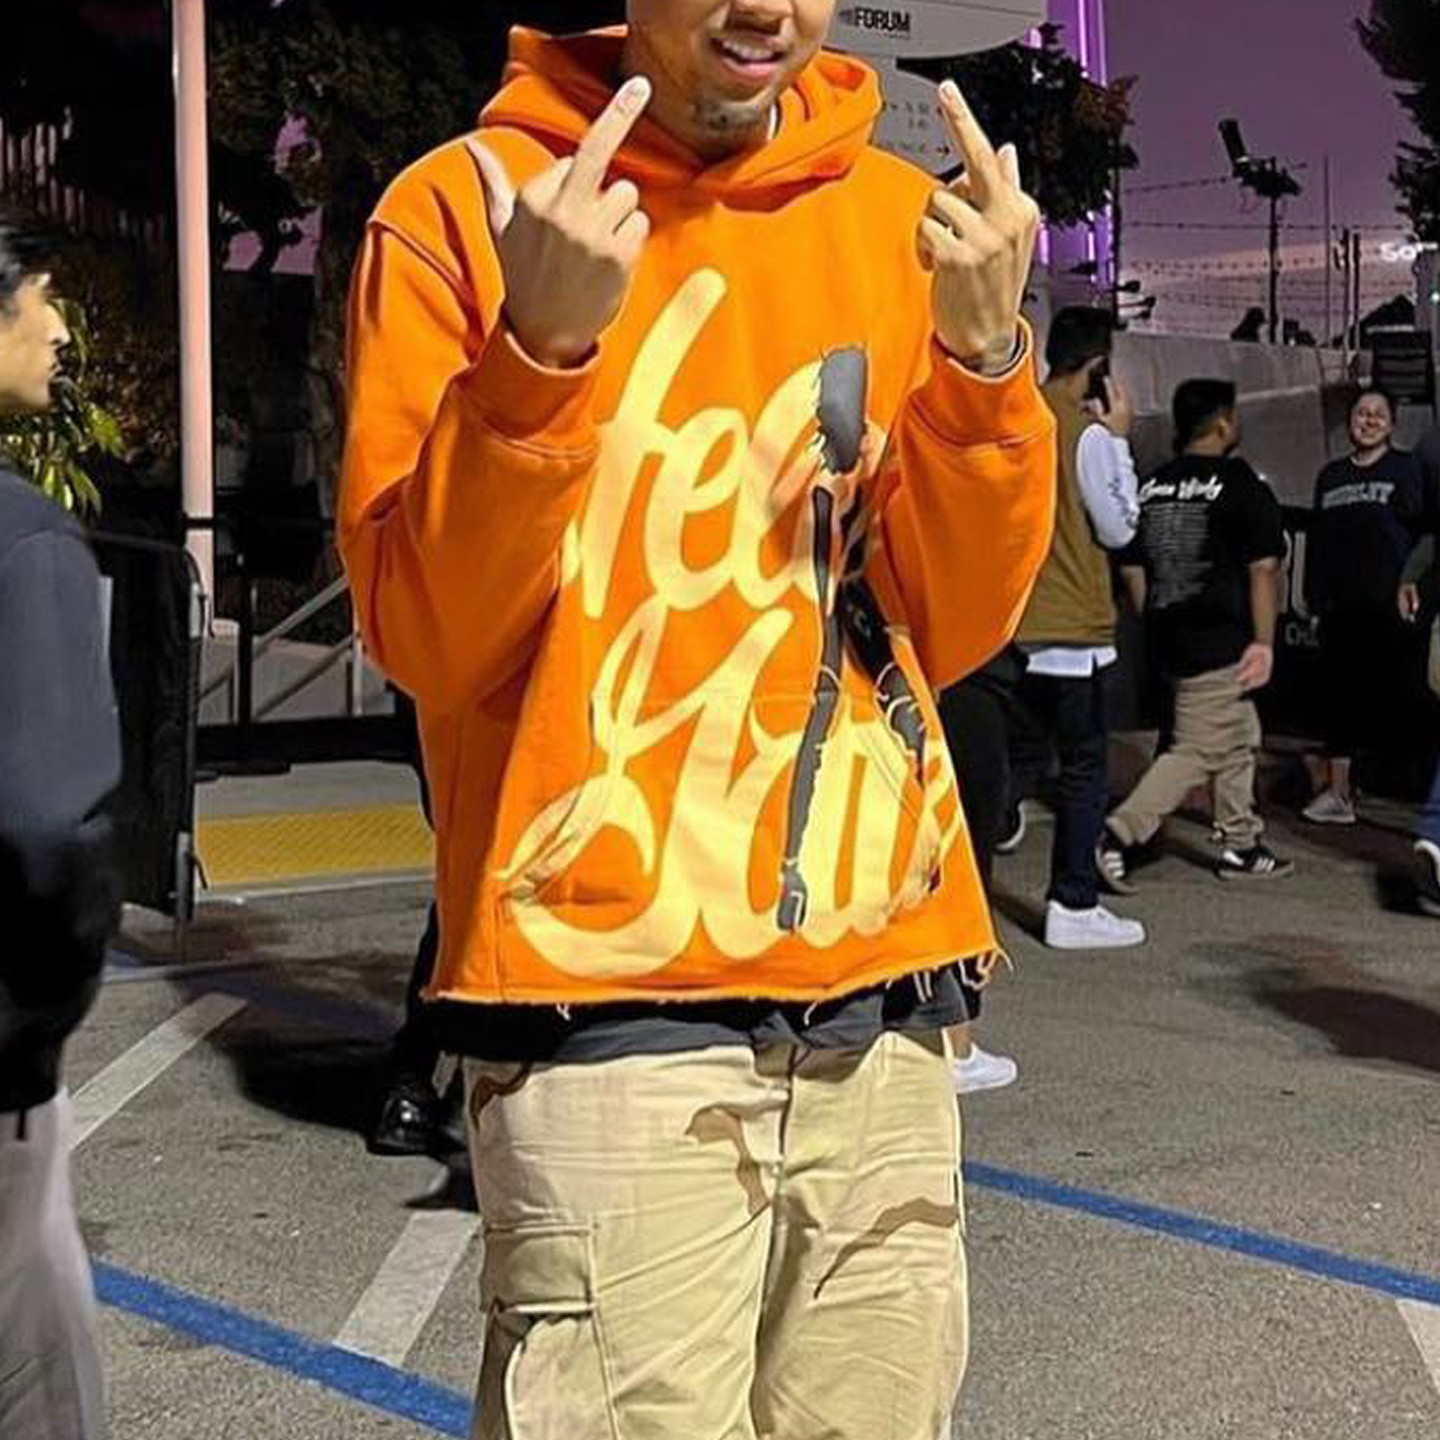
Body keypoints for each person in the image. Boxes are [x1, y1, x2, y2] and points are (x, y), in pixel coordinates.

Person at [339, 7, 1055, 1436]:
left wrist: (985, 371)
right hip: (604, 1011)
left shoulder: (903, 225)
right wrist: (538, 352)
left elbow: (953, 623)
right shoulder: (468, 208)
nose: (764, 8)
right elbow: (427, 638)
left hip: (885, 1004)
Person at [0, 217, 116, 1440]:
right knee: (39, 1380)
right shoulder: (24, 538)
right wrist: (31, 1042)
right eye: (40, 298)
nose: (62, 328)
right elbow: (49, 825)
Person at [1099, 380, 1293, 885]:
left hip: (1168, 638)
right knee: (1195, 750)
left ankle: (1241, 842)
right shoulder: (1240, 483)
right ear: (1223, 423)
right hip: (1221, 641)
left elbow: (1132, 566)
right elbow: (1263, 569)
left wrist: (1158, 621)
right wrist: (1264, 643)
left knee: (1238, 735)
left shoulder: (1152, 485)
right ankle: (1118, 833)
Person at [1009, 305, 1146, 950]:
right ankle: (1073, 901)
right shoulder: (1085, 436)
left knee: (1012, 760)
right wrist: (1118, 440)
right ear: (1098, 369)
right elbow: (1120, 526)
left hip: (1013, 622)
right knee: (1085, 766)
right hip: (1072, 630)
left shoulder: (1017, 416)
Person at [1302, 388, 1425, 826]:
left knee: (1404, 699)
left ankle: (1417, 799)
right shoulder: (1331, 476)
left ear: (1392, 424)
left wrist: (1416, 585)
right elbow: (1318, 543)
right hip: (1341, 609)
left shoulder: (1407, 470)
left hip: (1392, 607)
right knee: (1340, 702)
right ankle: (1338, 793)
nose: (1368, 421)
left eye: (1378, 414)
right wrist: (1314, 602)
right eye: (1361, 413)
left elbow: (1426, 535)